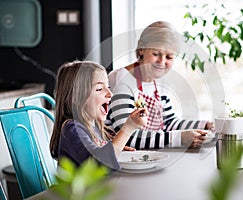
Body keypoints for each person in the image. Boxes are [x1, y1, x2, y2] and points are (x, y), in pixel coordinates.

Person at [106, 21, 214, 150]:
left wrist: (205, 125)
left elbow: (168, 123)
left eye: (169, 57)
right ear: (141, 48)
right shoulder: (121, 80)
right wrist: (178, 138)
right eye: (156, 54)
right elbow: (126, 136)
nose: (161, 62)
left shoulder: (160, 82)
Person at [49, 60, 148, 169]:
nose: (110, 93)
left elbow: (101, 155)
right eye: (99, 89)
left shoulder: (96, 127)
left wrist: (117, 149)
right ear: (75, 98)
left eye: (108, 87)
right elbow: (99, 164)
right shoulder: (72, 130)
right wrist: (128, 128)